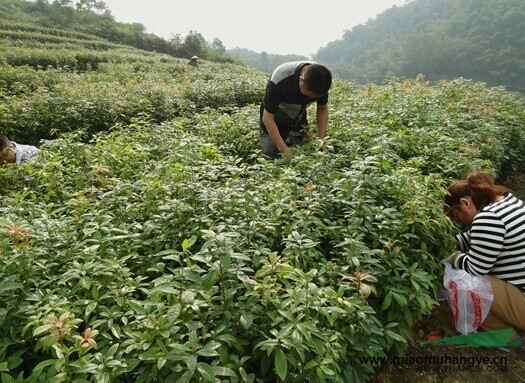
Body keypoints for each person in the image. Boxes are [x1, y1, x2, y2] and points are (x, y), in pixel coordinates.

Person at [443, 171, 525, 347]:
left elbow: (475, 269)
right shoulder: (506, 201)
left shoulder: (489, 218)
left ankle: (505, 337)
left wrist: (452, 257)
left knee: (464, 281)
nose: (462, 222)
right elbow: (472, 237)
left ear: (465, 203)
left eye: (459, 215)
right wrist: (446, 243)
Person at [259, 61, 332, 159]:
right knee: (271, 154)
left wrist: (321, 140)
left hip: (298, 115)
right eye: (307, 94)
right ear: (301, 80)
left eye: (314, 97)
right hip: (276, 115)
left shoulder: (321, 80)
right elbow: (267, 118)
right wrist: (284, 150)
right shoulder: (279, 80)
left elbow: (322, 108)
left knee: (305, 149)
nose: (310, 99)